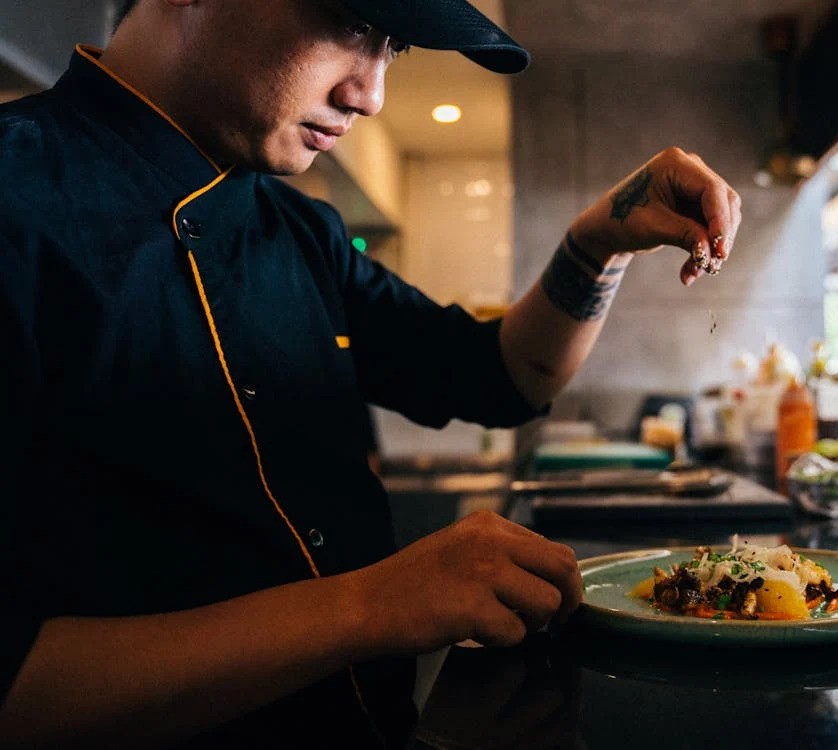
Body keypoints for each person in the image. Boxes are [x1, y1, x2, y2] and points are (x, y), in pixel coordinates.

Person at [0, 0, 741, 746]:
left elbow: (500, 378)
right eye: (352, 25)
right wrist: (370, 606)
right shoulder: (15, 198)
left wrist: (598, 239)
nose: (371, 94)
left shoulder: (299, 231)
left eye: (394, 49)